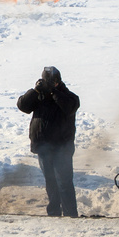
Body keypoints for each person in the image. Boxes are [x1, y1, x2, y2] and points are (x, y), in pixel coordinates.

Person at [17, 66, 80, 217]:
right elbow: (23, 106)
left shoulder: (68, 96)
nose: (53, 84)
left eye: (55, 82)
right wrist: (35, 91)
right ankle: (53, 212)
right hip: (44, 146)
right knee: (50, 182)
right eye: (49, 82)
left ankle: (71, 214)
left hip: (62, 147)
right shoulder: (39, 96)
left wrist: (53, 91)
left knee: (64, 182)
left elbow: (69, 107)